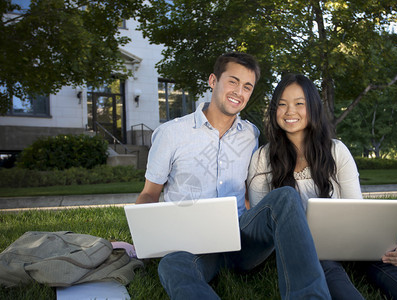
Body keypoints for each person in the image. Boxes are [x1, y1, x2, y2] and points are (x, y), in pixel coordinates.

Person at [137, 53, 331, 299]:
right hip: (191, 245)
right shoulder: (170, 134)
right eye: (233, 81)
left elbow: (250, 195)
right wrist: (146, 238)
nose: (239, 91)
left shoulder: (250, 134)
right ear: (213, 80)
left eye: (247, 86)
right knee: (172, 265)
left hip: (241, 241)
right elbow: (149, 194)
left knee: (285, 196)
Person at [247, 73, 397, 300]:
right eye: (282, 104)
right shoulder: (262, 158)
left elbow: (356, 209)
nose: (290, 111)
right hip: (302, 250)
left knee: (385, 263)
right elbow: (260, 225)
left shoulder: (336, 151)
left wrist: (387, 243)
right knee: (324, 264)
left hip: (347, 241)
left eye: (299, 104)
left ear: (314, 108)